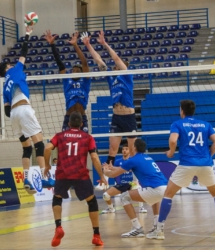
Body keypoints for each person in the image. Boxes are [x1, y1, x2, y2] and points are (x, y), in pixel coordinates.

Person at [146, 100, 215, 240]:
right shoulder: (206, 124)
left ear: (182, 110)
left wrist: (170, 152)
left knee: (168, 195)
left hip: (187, 164)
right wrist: (208, 156)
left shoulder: (177, 124)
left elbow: (173, 140)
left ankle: (159, 230)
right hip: (205, 164)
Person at [0, 25, 54, 195]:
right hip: (23, 108)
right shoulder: (15, 70)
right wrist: (28, 34)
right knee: (39, 144)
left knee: (26, 148)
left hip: (13, 114)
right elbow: (24, 53)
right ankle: (44, 178)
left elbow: (6, 112)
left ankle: (26, 178)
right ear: (8, 67)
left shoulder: (4, 88)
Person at [81, 31, 137, 190]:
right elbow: (98, 60)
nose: (115, 66)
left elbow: (117, 59)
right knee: (113, 149)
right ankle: (104, 180)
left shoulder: (127, 77)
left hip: (129, 117)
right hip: (117, 117)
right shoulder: (111, 77)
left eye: (118, 65)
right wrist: (89, 45)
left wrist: (105, 44)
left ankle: (136, 181)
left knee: (133, 152)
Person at [44, 111, 107, 247]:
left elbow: (48, 148)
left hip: (63, 173)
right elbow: (95, 157)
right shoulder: (88, 137)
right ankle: (96, 235)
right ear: (82, 124)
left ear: (69, 123)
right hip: (80, 174)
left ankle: (58, 227)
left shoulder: (60, 135)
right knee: (91, 201)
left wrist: (47, 165)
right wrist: (101, 176)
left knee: (57, 198)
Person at [103, 139, 167, 238]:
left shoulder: (133, 160)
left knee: (124, 196)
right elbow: (123, 169)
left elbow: (113, 175)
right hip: (164, 187)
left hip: (155, 188)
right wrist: (112, 168)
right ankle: (157, 228)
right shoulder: (147, 157)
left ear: (134, 148)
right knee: (155, 200)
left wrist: (105, 171)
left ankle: (137, 228)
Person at [44, 30, 91, 133]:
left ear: (81, 72)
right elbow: (60, 64)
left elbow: (85, 63)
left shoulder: (85, 80)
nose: (74, 71)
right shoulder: (67, 80)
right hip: (69, 117)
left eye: (77, 70)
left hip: (81, 117)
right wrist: (52, 45)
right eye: (73, 70)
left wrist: (75, 45)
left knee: (84, 145)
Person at [101, 144, 147, 214]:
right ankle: (111, 208)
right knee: (105, 195)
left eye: (126, 149)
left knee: (140, 189)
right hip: (122, 184)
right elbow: (113, 172)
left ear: (129, 150)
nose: (124, 151)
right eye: (123, 149)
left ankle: (141, 207)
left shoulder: (132, 160)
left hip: (132, 183)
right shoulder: (118, 161)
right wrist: (107, 169)